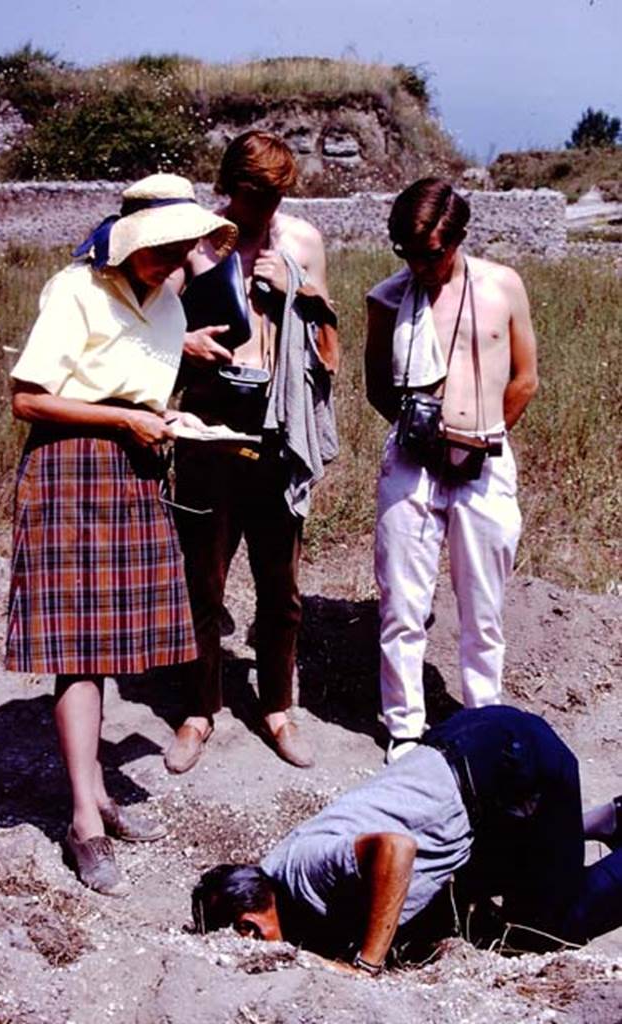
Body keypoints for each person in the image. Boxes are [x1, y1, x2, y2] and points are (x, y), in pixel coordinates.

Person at [5, 174, 237, 895]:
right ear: (129, 241)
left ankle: (98, 789)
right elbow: (26, 398)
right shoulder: (74, 291)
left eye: (181, 250)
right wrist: (123, 420)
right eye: (160, 250)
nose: (172, 263)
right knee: (78, 648)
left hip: (135, 469)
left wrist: (175, 401)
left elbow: (140, 379)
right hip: (71, 468)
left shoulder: (166, 301)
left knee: (109, 642)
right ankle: (83, 821)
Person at [192, 706, 622, 971]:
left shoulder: (304, 870)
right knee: (473, 904)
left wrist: (367, 962)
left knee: (543, 930)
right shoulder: (278, 874)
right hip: (473, 753)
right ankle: (603, 822)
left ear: (247, 928)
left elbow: (396, 849)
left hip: (511, 764)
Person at [164, 130, 339, 774]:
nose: (264, 211)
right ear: (230, 189)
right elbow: (155, 329)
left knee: (281, 586)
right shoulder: (194, 242)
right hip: (209, 427)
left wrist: (305, 294)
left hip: (277, 428)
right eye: (253, 197)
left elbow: (328, 344)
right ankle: (199, 708)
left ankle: (276, 708)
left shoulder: (302, 243)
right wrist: (186, 341)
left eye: (275, 198)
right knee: (201, 580)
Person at [365, 178, 539, 760]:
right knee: (403, 603)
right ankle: (405, 728)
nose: (420, 265)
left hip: (485, 458)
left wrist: (480, 436)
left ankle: (483, 718)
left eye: (431, 253)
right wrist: (425, 437)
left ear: (457, 238)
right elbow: (376, 385)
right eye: (408, 253)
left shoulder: (502, 286)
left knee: (483, 605)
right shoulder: (388, 298)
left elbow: (524, 377)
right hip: (414, 464)